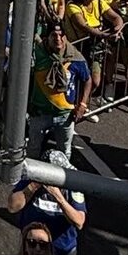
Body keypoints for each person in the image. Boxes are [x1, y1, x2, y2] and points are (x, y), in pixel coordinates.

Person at [26, 22, 91, 161]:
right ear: (47, 38)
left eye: (62, 35)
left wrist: (83, 104)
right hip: (39, 112)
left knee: (65, 151)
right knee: (33, 149)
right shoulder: (36, 53)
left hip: (65, 115)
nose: (58, 39)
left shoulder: (75, 57)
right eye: (54, 35)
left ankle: (60, 181)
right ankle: (29, 181)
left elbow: (87, 79)